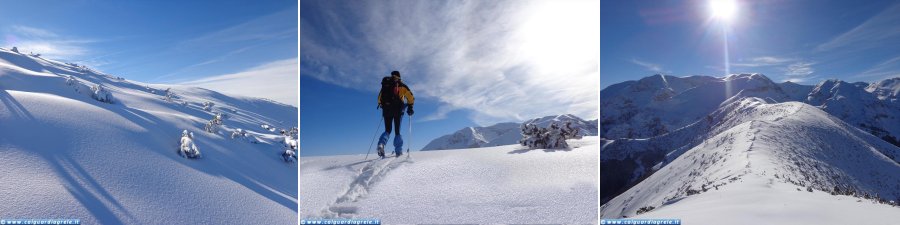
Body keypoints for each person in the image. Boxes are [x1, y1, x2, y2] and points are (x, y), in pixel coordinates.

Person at [376, 71, 415, 157]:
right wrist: (410, 107)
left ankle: (381, 144)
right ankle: (398, 151)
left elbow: (379, 99)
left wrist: (384, 106)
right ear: (399, 77)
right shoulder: (402, 86)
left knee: (388, 130)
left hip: (387, 110)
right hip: (398, 110)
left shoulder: (386, 85)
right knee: (397, 131)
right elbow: (411, 97)